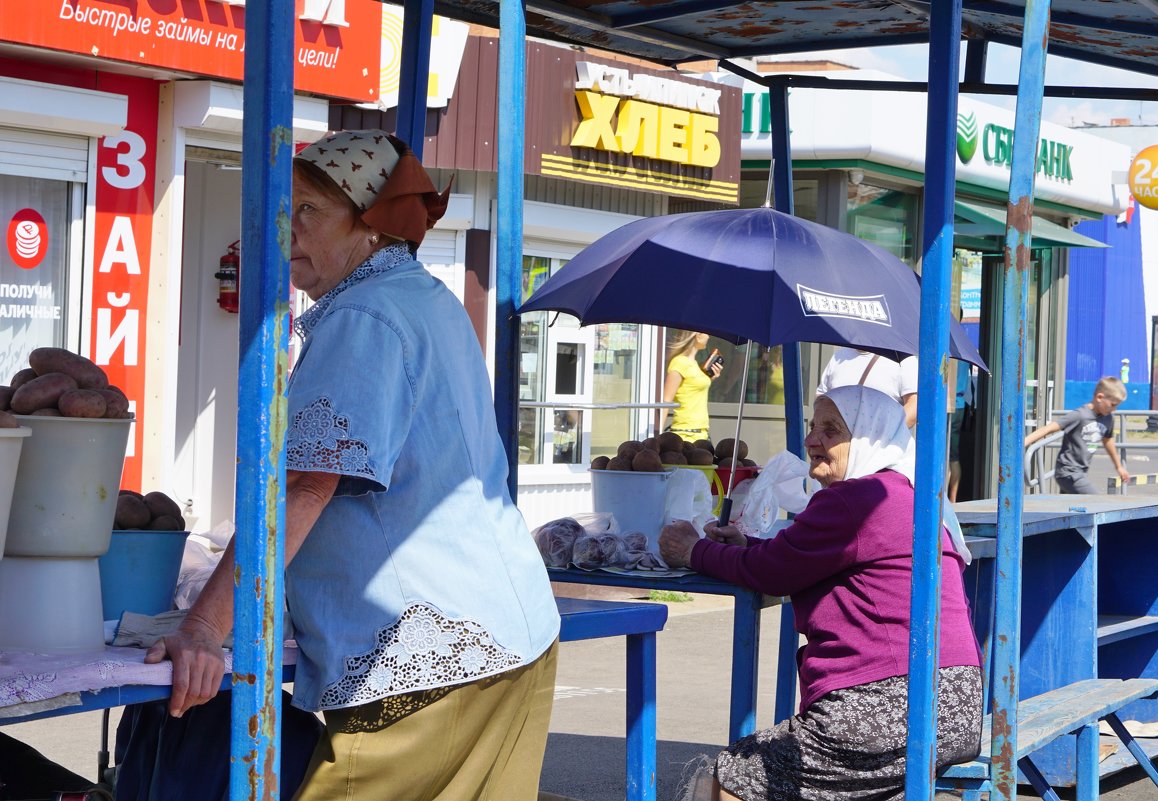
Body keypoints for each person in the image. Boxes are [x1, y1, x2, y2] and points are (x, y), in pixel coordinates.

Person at [145, 130, 560, 801]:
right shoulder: (427, 299)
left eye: (309, 210)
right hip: (512, 639)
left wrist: (204, 628)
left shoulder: (363, 317)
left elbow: (307, 487)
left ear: (371, 227)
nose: (290, 229)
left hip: (428, 665)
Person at [659, 385, 982, 801]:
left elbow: (773, 572)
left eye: (831, 430)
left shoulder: (856, 499)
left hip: (889, 702)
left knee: (732, 778)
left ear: (870, 437)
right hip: (953, 701)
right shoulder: (904, 495)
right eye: (813, 427)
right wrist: (742, 547)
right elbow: (797, 557)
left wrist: (694, 551)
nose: (813, 440)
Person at [1024, 376, 1129, 495]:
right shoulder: (1080, 415)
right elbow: (1048, 429)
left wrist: (1119, 467)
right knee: (1097, 501)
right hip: (1067, 472)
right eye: (1113, 404)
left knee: (1068, 509)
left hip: (1081, 472)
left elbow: (1107, 440)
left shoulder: (1108, 418)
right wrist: (1023, 443)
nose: (1114, 409)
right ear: (1100, 397)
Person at [816, 347, 918, 428]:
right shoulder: (839, 356)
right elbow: (821, 397)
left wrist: (885, 436)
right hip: (839, 446)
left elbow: (914, 406)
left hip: (882, 449)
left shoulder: (903, 359)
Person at [659, 330, 723, 441]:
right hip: (685, 434)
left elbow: (692, 389)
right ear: (697, 336)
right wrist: (657, 435)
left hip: (701, 433)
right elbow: (666, 401)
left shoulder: (694, 364)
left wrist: (710, 378)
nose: (708, 336)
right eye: (706, 333)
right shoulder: (679, 362)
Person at [947, 360, 976, 503]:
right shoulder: (963, 354)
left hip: (947, 404)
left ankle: (944, 501)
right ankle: (952, 499)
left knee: (945, 457)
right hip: (959, 404)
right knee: (953, 457)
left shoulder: (948, 351)